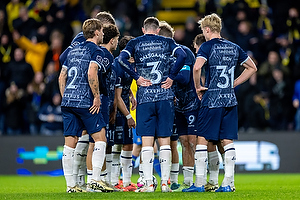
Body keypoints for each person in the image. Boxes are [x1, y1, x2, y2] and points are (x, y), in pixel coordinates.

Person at [183, 13, 257, 193]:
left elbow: (197, 67)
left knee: (202, 138)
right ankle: (228, 183)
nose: (204, 34)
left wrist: (198, 86)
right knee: (227, 141)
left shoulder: (207, 46)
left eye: (203, 31)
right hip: (230, 99)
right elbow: (252, 68)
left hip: (212, 98)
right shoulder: (234, 47)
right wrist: (235, 83)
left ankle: (199, 184)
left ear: (207, 30)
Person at [118, 16, 187, 192]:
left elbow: (121, 59)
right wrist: (171, 77)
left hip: (146, 98)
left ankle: (148, 184)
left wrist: (137, 77)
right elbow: (182, 55)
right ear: (157, 30)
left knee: (146, 143)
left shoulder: (135, 43)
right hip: (165, 97)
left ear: (143, 29)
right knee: (164, 141)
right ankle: (165, 184)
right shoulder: (167, 42)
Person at [59, 11, 116, 192]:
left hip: (68, 100)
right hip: (85, 101)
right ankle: (95, 180)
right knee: (100, 139)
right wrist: (97, 96)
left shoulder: (72, 50)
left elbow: (62, 76)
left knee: (70, 142)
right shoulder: (97, 50)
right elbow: (92, 72)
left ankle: (71, 186)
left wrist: (65, 96)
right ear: (98, 32)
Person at [158, 21, 198, 191]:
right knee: (180, 141)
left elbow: (185, 77)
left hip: (190, 103)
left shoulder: (185, 53)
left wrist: (169, 75)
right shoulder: (160, 55)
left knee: (192, 141)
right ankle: (182, 180)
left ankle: (199, 178)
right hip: (174, 105)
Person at [110, 35, 137, 192]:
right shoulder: (118, 65)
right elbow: (117, 97)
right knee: (118, 145)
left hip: (123, 105)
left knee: (126, 144)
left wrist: (131, 96)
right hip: (117, 110)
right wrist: (128, 116)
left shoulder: (127, 64)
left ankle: (126, 182)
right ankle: (115, 181)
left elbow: (124, 89)